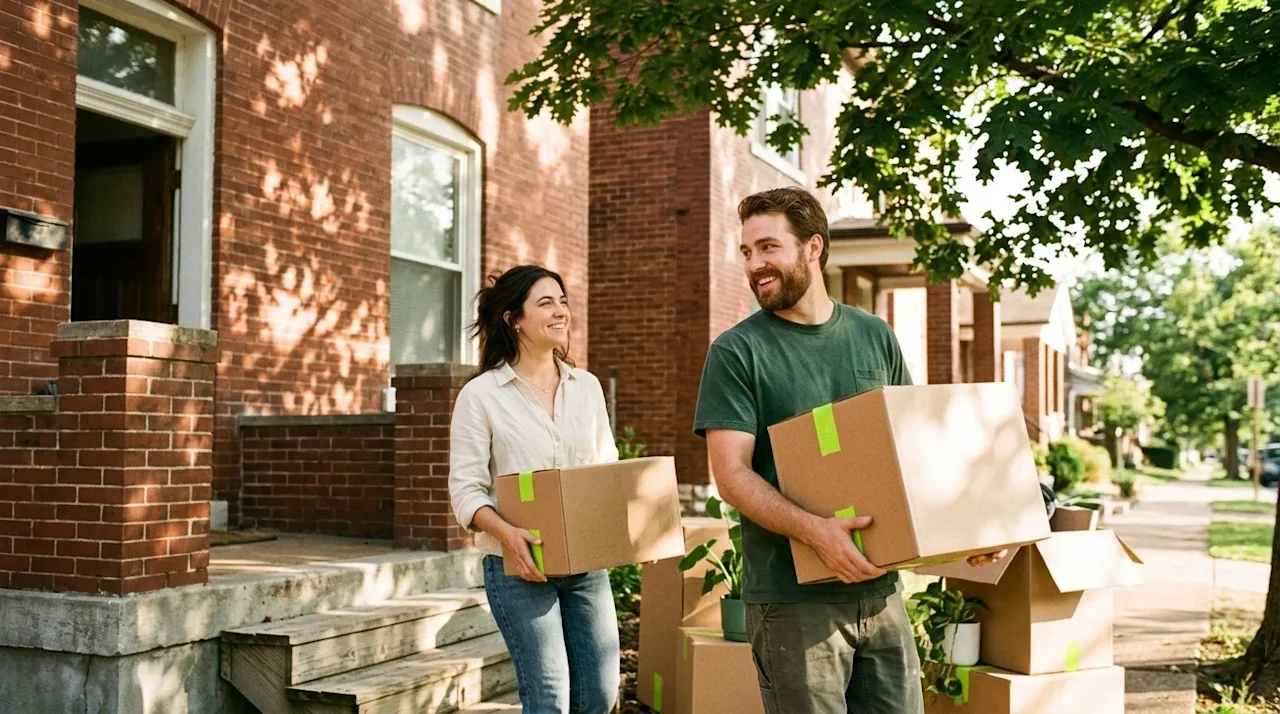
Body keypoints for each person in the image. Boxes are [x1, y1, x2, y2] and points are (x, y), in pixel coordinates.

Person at [693, 187, 1004, 714]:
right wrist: (818, 534)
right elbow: (731, 475)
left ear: (813, 247)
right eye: (746, 252)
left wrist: (964, 534)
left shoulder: (874, 336)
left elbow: (913, 454)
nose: (755, 265)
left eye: (769, 247)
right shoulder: (736, 351)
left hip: (880, 592)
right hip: (793, 603)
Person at [448, 265, 620, 714]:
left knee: (600, 696)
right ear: (513, 319)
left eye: (563, 301)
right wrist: (508, 535)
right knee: (549, 701)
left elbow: (607, 472)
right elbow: (466, 491)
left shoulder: (588, 389)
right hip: (519, 568)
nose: (561, 311)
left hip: (585, 565)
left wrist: (628, 529)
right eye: (546, 303)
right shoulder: (481, 395)